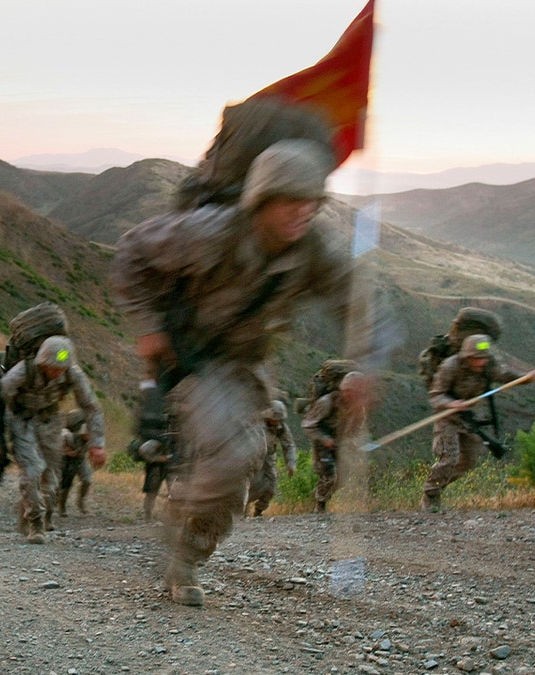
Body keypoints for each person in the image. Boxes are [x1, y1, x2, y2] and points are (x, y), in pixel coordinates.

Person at [111, 136, 379, 606]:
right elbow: (132, 251)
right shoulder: (210, 232)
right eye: (291, 202)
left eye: (311, 203)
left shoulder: (312, 249)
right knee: (233, 456)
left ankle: (186, 552)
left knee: (246, 464)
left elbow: (355, 300)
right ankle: (181, 542)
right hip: (194, 359)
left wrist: (367, 364)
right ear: (262, 200)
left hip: (245, 365)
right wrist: (149, 327)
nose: (303, 212)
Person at [0, 335, 106, 544]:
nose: (57, 373)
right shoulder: (24, 370)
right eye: (52, 368)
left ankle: (27, 508)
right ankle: (36, 522)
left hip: (51, 423)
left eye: (61, 368)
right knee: (32, 470)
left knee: (49, 480)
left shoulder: (72, 373)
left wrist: (97, 443)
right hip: (21, 421)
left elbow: (91, 407)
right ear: (42, 362)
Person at [423, 334, 532, 512]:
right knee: (449, 457)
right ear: (467, 356)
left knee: (469, 461)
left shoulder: (489, 366)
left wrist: (526, 377)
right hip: (447, 417)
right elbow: (435, 396)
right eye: (476, 358)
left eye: (483, 358)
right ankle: (430, 495)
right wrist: (452, 403)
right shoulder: (450, 366)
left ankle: (438, 485)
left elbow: (504, 375)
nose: (481, 363)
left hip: (469, 418)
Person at [300, 371, 369, 513]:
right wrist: (324, 439)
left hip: (340, 443)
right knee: (329, 474)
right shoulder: (326, 403)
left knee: (343, 478)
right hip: (322, 443)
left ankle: (319, 496)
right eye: (352, 392)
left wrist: (352, 443)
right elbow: (307, 424)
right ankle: (320, 506)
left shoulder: (358, 409)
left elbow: (356, 429)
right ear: (344, 390)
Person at [244, 400, 298, 517]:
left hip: (268, 458)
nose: (277, 421)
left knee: (271, 487)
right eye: (275, 418)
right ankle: (242, 511)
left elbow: (289, 445)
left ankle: (258, 511)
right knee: (246, 484)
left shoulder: (280, 427)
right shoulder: (255, 423)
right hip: (252, 456)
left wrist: (291, 463)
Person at [57, 422, 95, 517]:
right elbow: (60, 446)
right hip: (67, 460)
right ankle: (62, 505)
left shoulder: (91, 440)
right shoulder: (69, 437)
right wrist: (67, 451)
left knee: (87, 480)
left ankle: (81, 501)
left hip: (81, 460)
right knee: (66, 484)